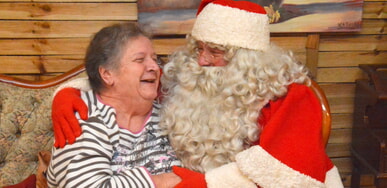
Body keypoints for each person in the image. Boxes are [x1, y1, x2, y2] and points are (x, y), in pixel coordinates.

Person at [51, 0, 344, 187]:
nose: (201, 60)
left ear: (248, 58)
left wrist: (207, 183)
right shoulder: (192, 77)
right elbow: (122, 81)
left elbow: (287, 174)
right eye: (198, 48)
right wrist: (67, 93)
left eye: (213, 52)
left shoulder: (290, 97)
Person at [46, 22, 182, 188]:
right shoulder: (85, 118)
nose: (154, 67)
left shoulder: (169, 113)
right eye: (140, 60)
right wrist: (161, 181)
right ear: (107, 74)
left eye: (154, 59)